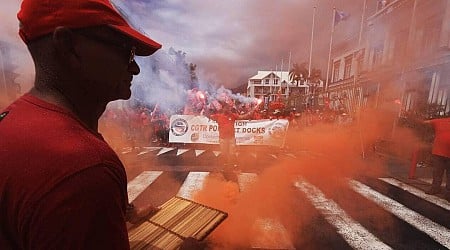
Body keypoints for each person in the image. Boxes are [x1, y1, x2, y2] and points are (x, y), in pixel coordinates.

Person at [0, 0, 203, 249]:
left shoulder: (11, 118)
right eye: (125, 50)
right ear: (68, 45)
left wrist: (119, 213)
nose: (135, 67)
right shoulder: (83, 166)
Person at [207, 102, 254, 168]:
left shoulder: (232, 115)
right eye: (226, 108)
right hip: (223, 138)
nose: (228, 109)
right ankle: (225, 164)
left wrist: (251, 111)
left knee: (232, 153)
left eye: (229, 108)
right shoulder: (218, 116)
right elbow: (208, 116)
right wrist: (206, 108)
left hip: (231, 138)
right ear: (223, 109)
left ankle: (231, 165)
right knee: (224, 153)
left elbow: (242, 117)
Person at [424, 116, 450, 201]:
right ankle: (436, 189)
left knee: (439, 172)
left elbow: (425, 122)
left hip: (439, 152)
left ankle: (445, 192)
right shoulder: (439, 121)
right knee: (437, 172)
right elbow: (426, 122)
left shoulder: (438, 121)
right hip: (438, 152)